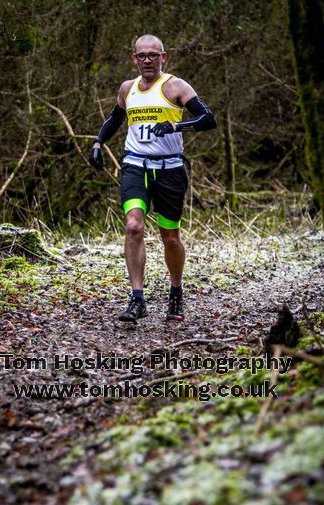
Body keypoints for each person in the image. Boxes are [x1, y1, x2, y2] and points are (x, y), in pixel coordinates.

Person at [89, 34, 217, 323]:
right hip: (135, 166)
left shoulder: (175, 86)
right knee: (133, 226)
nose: (147, 60)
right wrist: (98, 142)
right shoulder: (127, 88)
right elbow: (114, 119)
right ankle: (137, 299)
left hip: (170, 169)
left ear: (164, 57)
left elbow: (208, 119)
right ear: (134, 58)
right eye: (142, 55)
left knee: (170, 237)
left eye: (153, 55)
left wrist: (175, 125)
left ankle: (175, 291)